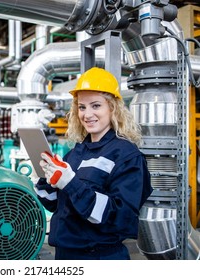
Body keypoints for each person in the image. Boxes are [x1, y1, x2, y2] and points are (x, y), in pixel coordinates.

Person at [35, 67, 153, 260]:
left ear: (112, 108)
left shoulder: (126, 155)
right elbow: (55, 205)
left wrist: (71, 183)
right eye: (82, 107)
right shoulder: (75, 153)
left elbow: (120, 218)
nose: (87, 114)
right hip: (64, 255)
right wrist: (45, 177)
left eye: (96, 105)